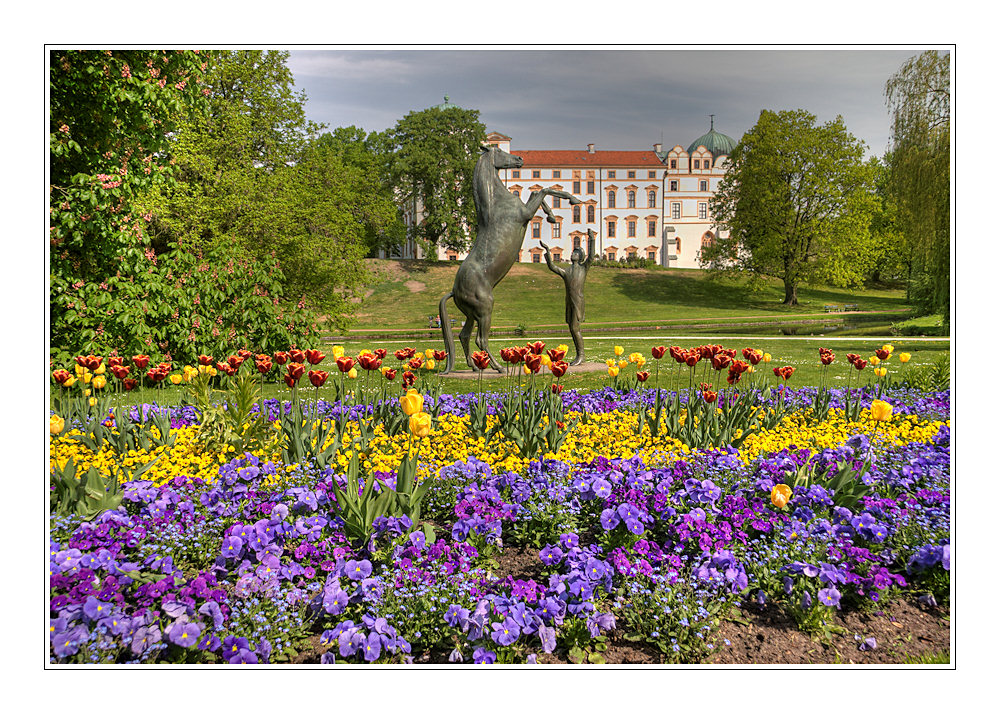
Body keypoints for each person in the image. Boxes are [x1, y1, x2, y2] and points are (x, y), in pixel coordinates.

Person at [540, 229, 595, 366]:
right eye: (573, 252)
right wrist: (547, 251)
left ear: (580, 257)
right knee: (572, 328)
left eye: (576, 253)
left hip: (577, 303)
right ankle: (579, 354)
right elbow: (552, 266)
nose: (573, 254)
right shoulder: (567, 271)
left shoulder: (583, 268)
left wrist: (592, 239)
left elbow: (592, 257)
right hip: (569, 303)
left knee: (575, 329)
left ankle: (581, 355)